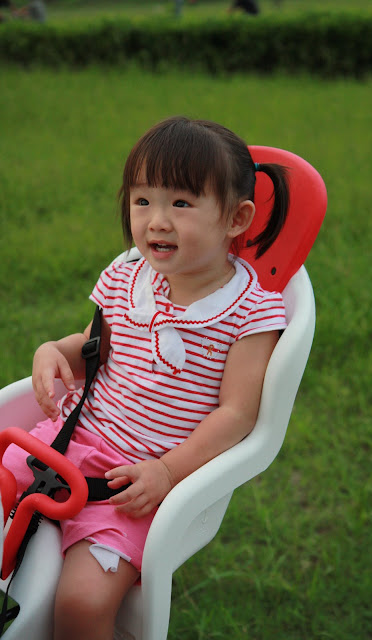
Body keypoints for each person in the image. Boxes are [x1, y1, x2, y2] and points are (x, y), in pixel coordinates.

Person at [3, 116, 289, 640]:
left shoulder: (251, 313)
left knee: (82, 605)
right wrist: (54, 351)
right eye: (142, 201)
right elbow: (93, 347)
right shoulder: (126, 274)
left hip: (136, 485)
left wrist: (167, 472)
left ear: (236, 218)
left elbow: (237, 414)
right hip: (65, 444)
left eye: (180, 203)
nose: (157, 221)